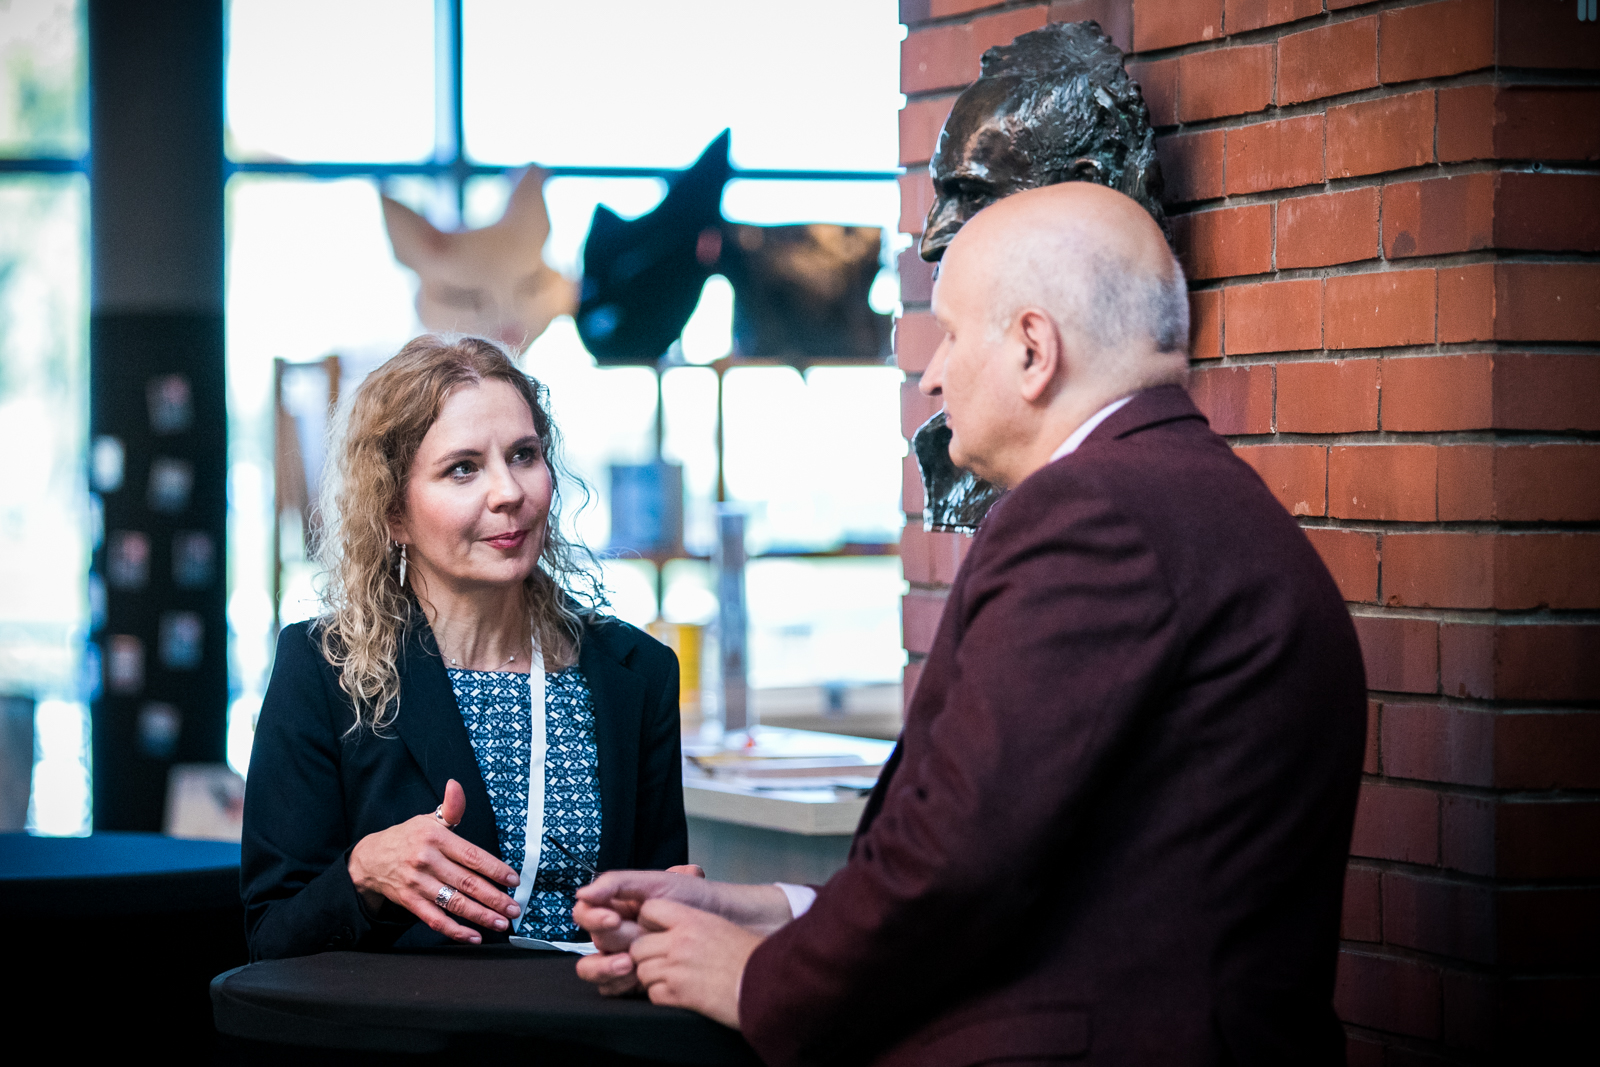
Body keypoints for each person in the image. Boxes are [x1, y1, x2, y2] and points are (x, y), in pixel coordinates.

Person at [570, 184, 1367, 1066]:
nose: (933, 374)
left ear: (1033, 349)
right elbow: (1051, 865)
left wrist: (755, 977)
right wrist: (773, 912)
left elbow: (958, 865)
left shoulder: (1095, 512)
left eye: (949, 334)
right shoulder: (1183, 493)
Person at [242, 335, 692, 961]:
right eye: (463, 468)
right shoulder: (325, 669)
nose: (508, 492)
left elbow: (661, 908)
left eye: (524, 455)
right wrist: (364, 873)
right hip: (410, 1018)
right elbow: (272, 939)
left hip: (588, 1016)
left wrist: (674, 915)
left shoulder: (635, 673)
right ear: (393, 512)